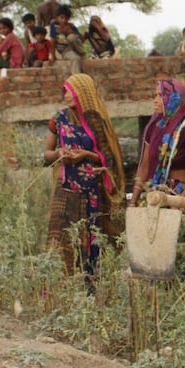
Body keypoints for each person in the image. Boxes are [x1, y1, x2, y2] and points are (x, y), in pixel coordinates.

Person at [43, 73, 125, 277]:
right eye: (65, 91)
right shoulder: (58, 119)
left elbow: (110, 157)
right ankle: (59, 283)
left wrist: (86, 155)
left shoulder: (97, 122)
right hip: (66, 187)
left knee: (90, 238)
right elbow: (46, 154)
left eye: (71, 91)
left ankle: (89, 284)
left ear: (84, 93)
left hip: (92, 191)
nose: (67, 95)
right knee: (58, 236)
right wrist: (60, 154)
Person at [130, 78, 185, 241]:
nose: (154, 100)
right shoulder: (154, 129)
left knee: (182, 246)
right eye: (155, 95)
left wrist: (181, 201)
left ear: (174, 98)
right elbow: (144, 166)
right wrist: (133, 202)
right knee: (156, 246)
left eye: (159, 95)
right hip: (156, 195)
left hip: (180, 194)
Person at [50, 5, 86, 74]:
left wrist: (70, 31)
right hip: (65, 51)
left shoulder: (71, 26)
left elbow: (81, 40)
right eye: (61, 18)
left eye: (66, 18)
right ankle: (76, 80)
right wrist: (53, 56)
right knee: (76, 59)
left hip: (75, 48)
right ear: (57, 18)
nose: (64, 20)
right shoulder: (54, 26)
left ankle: (82, 54)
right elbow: (53, 41)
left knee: (71, 37)